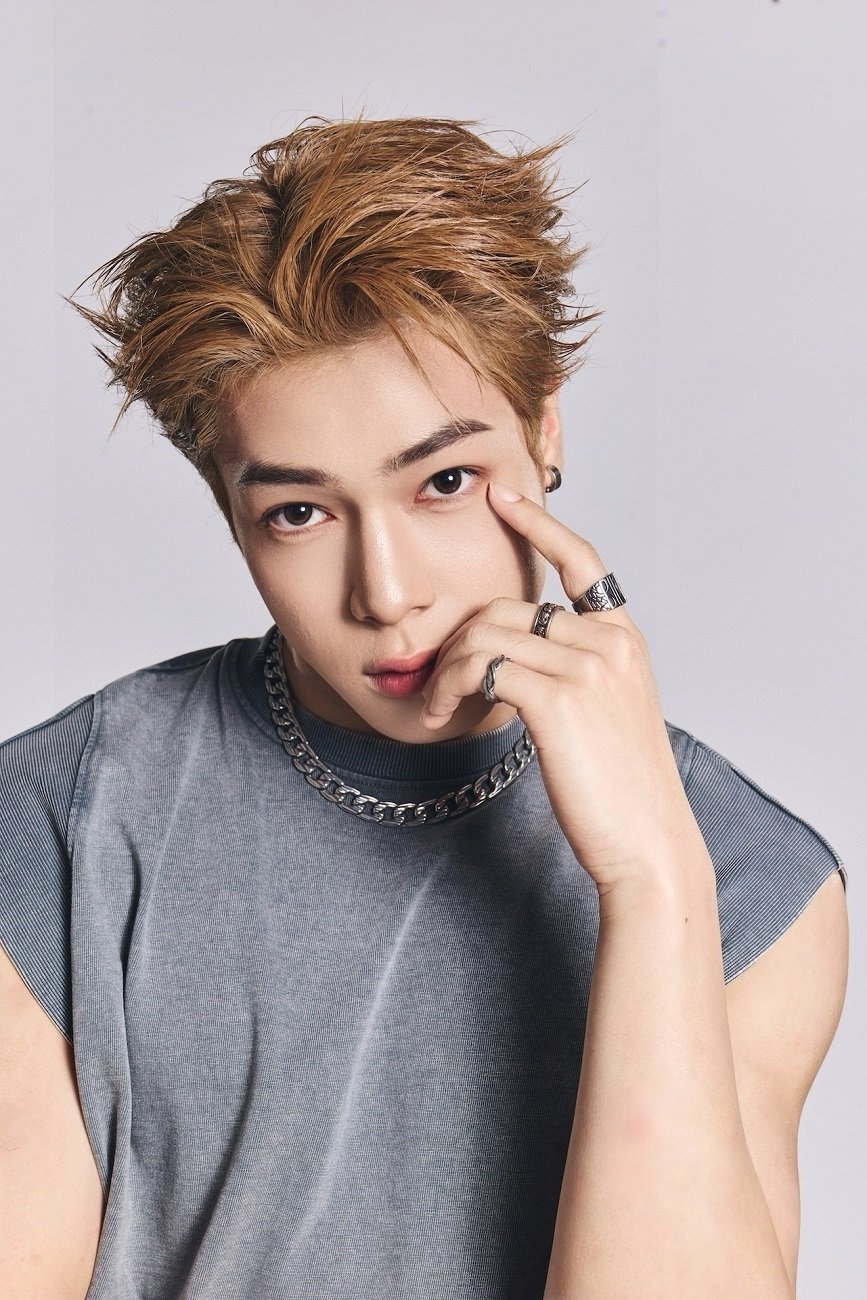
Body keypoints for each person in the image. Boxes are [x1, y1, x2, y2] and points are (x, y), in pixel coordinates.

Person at [0, 115, 849, 1300]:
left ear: (544, 434)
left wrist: (655, 880)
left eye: (445, 481)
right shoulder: (59, 826)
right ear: (231, 515)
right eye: (300, 512)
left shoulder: (753, 880)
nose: (387, 593)